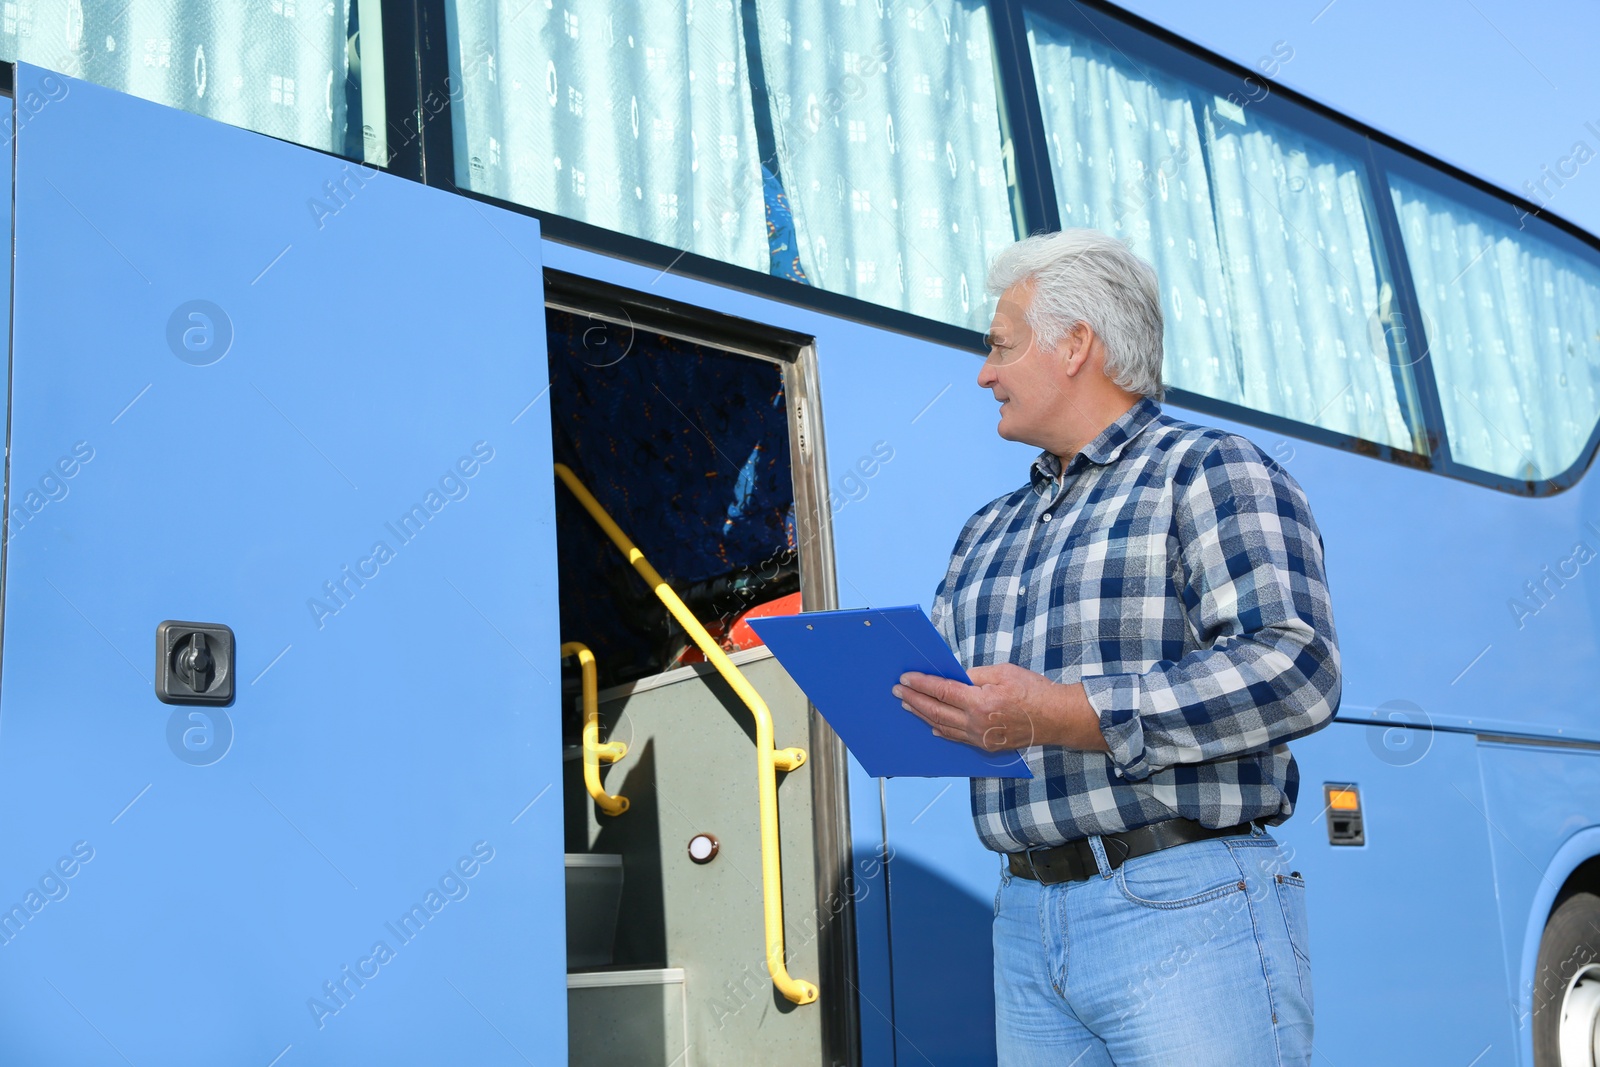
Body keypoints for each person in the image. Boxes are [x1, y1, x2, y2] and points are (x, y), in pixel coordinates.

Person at [893, 229, 1340, 1066]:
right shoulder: (986, 531)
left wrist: (1061, 713)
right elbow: (956, 696)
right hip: (1025, 920)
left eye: (999, 347)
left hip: (1187, 903)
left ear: (1075, 345)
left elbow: (1298, 668)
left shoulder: (1208, 469)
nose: (984, 373)